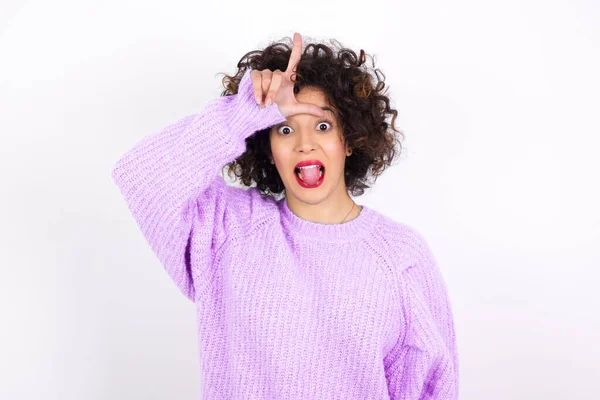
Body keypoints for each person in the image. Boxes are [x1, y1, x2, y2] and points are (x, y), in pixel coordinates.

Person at [111, 32, 459, 399]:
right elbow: (143, 179)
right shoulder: (228, 230)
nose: (304, 143)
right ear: (268, 146)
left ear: (349, 139)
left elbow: (431, 386)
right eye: (286, 128)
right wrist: (241, 113)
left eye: (323, 126)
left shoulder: (400, 256)